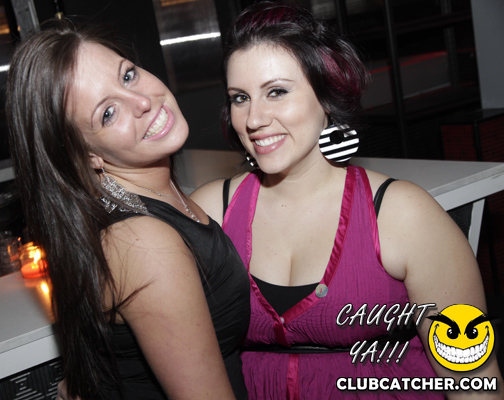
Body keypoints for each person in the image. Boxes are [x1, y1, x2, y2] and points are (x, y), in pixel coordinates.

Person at [191, 2, 503, 399]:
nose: (253, 119)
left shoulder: (402, 214)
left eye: (277, 92)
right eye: (240, 98)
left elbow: (473, 382)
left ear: (326, 96)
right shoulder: (212, 211)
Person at [6, 18, 249, 400]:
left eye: (128, 75)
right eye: (107, 113)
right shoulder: (144, 243)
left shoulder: (157, 204)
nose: (142, 102)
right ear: (86, 155)